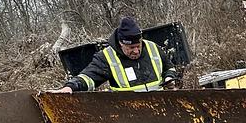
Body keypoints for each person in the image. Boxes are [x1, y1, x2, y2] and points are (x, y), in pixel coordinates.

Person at [46, 16, 175, 94]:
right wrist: (70, 87)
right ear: (121, 43)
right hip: (129, 117)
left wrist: (169, 78)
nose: (136, 51)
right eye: (131, 48)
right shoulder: (107, 57)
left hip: (160, 111)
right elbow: (88, 77)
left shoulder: (153, 48)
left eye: (138, 46)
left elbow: (169, 67)